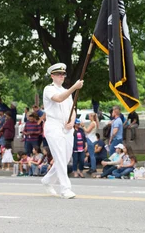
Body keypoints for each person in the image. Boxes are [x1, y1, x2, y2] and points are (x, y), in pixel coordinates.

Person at [40, 62, 84, 199]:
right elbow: (58, 99)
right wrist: (74, 87)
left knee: (64, 159)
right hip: (54, 126)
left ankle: (47, 180)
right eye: (59, 74)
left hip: (67, 127)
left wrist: (72, 121)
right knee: (59, 157)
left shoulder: (66, 91)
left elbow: (73, 109)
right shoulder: (49, 89)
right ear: (52, 76)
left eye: (63, 74)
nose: (61, 76)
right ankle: (65, 189)